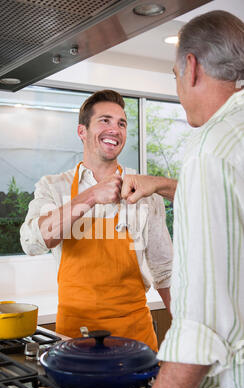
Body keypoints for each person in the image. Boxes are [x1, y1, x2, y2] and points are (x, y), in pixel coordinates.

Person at [91, 10, 244, 388]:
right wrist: (164, 184)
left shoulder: (209, 151)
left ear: (191, 67)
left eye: (175, 76)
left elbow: (206, 305)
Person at [20, 89, 173, 350]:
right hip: (74, 337)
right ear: (82, 131)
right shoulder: (53, 187)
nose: (115, 129)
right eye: (105, 120)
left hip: (135, 337)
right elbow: (33, 241)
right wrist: (90, 196)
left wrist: (184, 327)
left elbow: (165, 271)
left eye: (121, 123)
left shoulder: (144, 192)